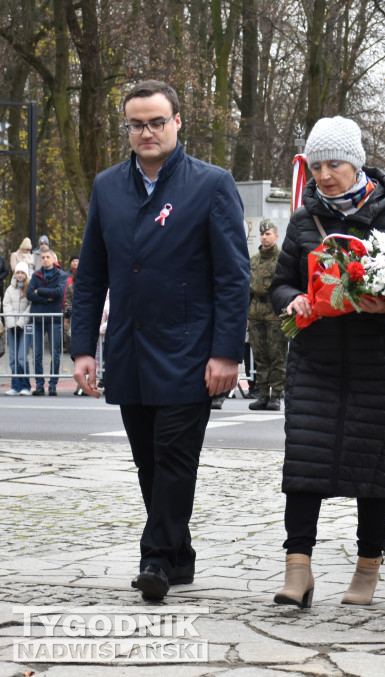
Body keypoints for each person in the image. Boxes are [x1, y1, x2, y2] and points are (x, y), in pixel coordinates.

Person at [71, 80, 250, 601]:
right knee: (149, 459)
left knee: (174, 456)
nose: (146, 132)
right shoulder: (107, 187)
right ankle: (181, 554)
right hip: (129, 349)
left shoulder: (211, 184)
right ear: (127, 128)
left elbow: (232, 276)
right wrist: (84, 347)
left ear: (177, 123)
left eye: (155, 122)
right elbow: (92, 276)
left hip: (191, 352)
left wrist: (226, 352)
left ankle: (155, 557)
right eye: (136, 124)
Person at [269, 115, 385, 609]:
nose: (324, 175)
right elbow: (280, 283)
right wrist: (291, 299)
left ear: (355, 163)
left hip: (376, 364)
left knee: (372, 472)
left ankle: (367, 569)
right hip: (316, 361)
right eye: (316, 166)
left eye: (333, 163)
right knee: (304, 468)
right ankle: (298, 570)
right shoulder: (301, 220)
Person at [248, 219, 286, 411]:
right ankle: (262, 394)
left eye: (268, 233)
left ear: (276, 236)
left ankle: (276, 395)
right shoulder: (253, 260)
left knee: (277, 356)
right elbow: (247, 290)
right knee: (260, 356)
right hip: (256, 313)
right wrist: (246, 314)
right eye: (262, 234)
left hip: (274, 313)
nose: (264, 237)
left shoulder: (282, 260)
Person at [27, 249, 67, 395]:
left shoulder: (61, 275)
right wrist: (46, 297)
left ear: (53, 259)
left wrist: (40, 291)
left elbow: (59, 293)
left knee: (55, 353)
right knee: (37, 353)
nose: (45, 259)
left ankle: (53, 384)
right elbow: (29, 294)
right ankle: (39, 384)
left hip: (54, 318)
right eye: (42, 257)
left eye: (47, 257)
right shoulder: (36, 274)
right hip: (37, 319)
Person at [4, 262, 32, 396]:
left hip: (25, 327)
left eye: (22, 273)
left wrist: (20, 322)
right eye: (18, 273)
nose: (20, 275)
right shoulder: (10, 289)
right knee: (13, 358)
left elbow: (30, 307)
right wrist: (12, 323)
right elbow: (6, 306)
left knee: (22, 357)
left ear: (26, 274)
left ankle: (26, 385)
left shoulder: (30, 288)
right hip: (12, 327)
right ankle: (15, 385)